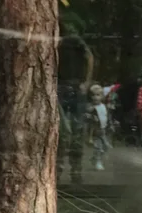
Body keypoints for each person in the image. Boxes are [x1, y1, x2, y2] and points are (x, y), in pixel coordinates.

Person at [57, 28, 94, 184]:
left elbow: (89, 56)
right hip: (60, 88)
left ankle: (75, 170)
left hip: (75, 87)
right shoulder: (55, 40)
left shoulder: (73, 40)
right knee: (61, 132)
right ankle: (57, 171)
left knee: (76, 131)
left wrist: (86, 82)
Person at [85, 84, 112, 171]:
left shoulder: (103, 106)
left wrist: (110, 125)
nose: (95, 97)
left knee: (106, 146)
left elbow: (106, 117)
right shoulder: (91, 108)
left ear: (102, 96)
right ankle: (98, 162)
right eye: (93, 95)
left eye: (98, 95)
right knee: (98, 147)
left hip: (103, 130)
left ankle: (94, 158)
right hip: (95, 131)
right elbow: (89, 121)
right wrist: (89, 136)